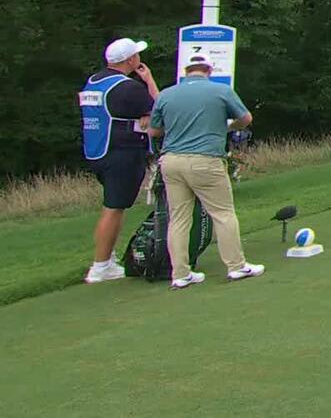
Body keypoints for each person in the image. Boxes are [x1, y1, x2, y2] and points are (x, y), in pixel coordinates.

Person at [148, 54, 263, 288]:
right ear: (208, 70)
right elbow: (246, 118)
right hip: (205, 160)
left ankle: (180, 273)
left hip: (171, 161)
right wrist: (229, 126)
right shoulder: (220, 91)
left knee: (178, 218)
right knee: (223, 213)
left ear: (186, 71)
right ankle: (236, 266)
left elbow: (154, 131)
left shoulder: (166, 95)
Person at [79, 37, 161, 283]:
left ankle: (107, 257)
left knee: (112, 205)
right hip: (121, 153)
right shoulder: (127, 87)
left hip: (97, 150)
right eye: (136, 54)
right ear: (130, 60)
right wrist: (148, 80)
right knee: (114, 208)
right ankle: (101, 266)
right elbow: (159, 108)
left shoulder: (93, 81)